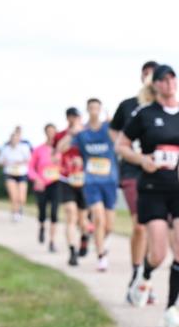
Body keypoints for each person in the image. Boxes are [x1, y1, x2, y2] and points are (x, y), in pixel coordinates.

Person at [116, 65, 179, 327]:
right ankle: (145, 273)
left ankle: (171, 309)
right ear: (155, 86)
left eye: (172, 77)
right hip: (153, 189)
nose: (168, 83)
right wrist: (142, 159)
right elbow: (122, 145)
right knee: (159, 253)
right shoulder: (145, 114)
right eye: (162, 80)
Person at [111, 61, 158, 302]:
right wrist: (126, 149)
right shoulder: (128, 106)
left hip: (159, 174)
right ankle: (136, 271)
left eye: (155, 75)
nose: (150, 79)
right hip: (132, 171)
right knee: (140, 225)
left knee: (155, 228)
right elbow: (114, 132)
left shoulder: (167, 109)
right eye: (147, 74)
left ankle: (146, 277)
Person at [58, 99, 119, 272]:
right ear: (87, 110)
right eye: (90, 108)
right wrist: (71, 133)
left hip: (110, 181)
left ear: (100, 110)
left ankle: (101, 242)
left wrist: (116, 124)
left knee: (109, 225)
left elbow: (123, 140)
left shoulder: (108, 129)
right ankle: (101, 255)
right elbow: (61, 148)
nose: (93, 111)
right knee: (98, 218)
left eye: (96, 108)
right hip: (91, 182)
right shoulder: (82, 132)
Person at [54, 107, 90, 266]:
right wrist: (71, 134)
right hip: (66, 179)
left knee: (82, 219)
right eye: (71, 117)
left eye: (76, 116)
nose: (74, 119)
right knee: (70, 215)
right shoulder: (62, 135)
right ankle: (72, 251)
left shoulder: (87, 133)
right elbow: (59, 149)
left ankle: (84, 237)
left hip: (84, 180)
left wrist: (83, 161)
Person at [29, 123, 62, 252]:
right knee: (42, 211)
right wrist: (36, 179)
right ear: (45, 133)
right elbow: (30, 167)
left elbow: (65, 165)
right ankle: (42, 227)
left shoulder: (61, 150)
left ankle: (52, 241)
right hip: (41, 184)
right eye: (49, 131)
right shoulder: (38, 149)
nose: (51, 134)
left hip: (56, 183)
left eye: (53, 131)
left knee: (54, 212)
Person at [0, 128, 32, 222]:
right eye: (13, 138)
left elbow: (29, 159)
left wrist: (20, 162)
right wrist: (5, 162)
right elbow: (0, 161)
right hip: (10, 173)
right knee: (14, 196)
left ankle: (20, 208)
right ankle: (15, 213)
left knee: (21, 197)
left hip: (21, 173)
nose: (14, 140)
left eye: (16, 138)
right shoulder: (5, 149)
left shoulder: (24, 147)